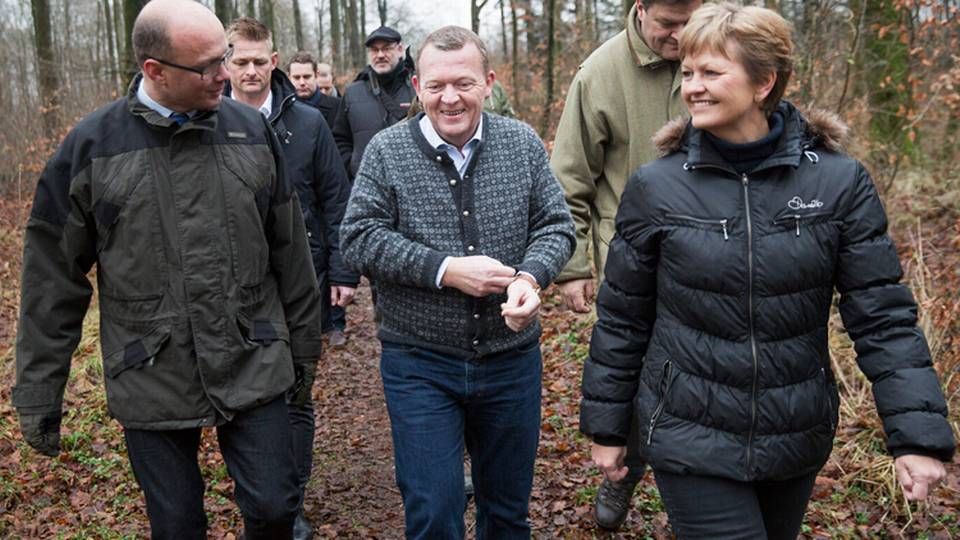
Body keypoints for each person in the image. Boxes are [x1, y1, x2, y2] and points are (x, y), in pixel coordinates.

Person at [579, 3, 955, 538]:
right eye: (688, 73)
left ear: (763, 82)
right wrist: (608, 427)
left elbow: (883, 315)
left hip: (793, 428)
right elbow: (623, 319)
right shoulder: (655, 188)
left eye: (711, 72)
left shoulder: (838, 184)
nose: (692, 87)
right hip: (690, 429)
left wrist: (916, 435)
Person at [12, 1, 322, 538]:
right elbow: (51, 279)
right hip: (149, 364)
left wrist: (304, 354)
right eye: (207, 66)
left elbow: (290, 251)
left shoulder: (250, 130)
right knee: (176, 525)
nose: (226, 74)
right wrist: (40, 391)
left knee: (275, 508)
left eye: (223, 57)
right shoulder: (92, 148)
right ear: (154, 70)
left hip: (255, 351)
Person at [340, 26, 575, 539]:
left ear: (488, 82)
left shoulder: (521, 143)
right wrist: (444, 270)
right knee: (434, 510)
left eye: (464, 83)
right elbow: (357, 237)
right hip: (420, 362)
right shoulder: (386, 151)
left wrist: (531, 278)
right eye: (437, 85)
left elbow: (556, 225)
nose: (450, 98)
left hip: (511, 360)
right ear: (418, 86)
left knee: (507, 511)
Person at [550, 0, 701, 529]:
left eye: (691, 21)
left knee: (706, 378)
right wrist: (573, 267)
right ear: (639, 10)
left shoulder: (721, 54)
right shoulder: (600, 73)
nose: (681, 36)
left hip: (716, 262)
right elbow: (570, 178)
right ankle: (625, 474)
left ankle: (701, 499)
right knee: (639, 380)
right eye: (668, 24)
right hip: (635, 263)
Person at [224, 17, 357, 540]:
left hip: (306, 280)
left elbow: (336, 197)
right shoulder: (211, 122)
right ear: (226, 62)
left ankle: (291, 503)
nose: (252, 70)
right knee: (250, 394)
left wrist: (343, 270)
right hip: (237, 291)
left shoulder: (308, 123)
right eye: (242, 61)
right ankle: (260, 499)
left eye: (261, 61)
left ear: (274, 62)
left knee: (297, 393)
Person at [331, 25, 415, 179]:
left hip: (414, 184)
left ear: (400, 49)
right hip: (366, 186)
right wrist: (353, 166)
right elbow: (340, 138)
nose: (380, 55)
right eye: (374, 50)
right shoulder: (352, 92)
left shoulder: (419, 87)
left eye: (387, 48)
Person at [288, 51, 341, 127]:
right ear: (289, 78)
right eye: (296, 77)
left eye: (307, 77)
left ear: (316, 75)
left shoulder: (338, 107)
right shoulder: (282, 109)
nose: (302, 82)